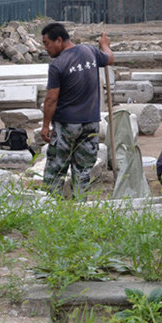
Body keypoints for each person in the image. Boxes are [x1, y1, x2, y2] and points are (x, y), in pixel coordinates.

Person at [40, 22, 114, 195]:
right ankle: (80, 208)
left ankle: (49, 207)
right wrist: (105, 46)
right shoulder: (90, 51)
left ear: (59, 40)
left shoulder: (58, 65)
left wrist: (45, 126)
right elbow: (109, 58)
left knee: (56, 170)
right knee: (83, 171)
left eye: (47, 43)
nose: (46, 48)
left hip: (67, 125)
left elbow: (51, 99)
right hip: (90, 123)